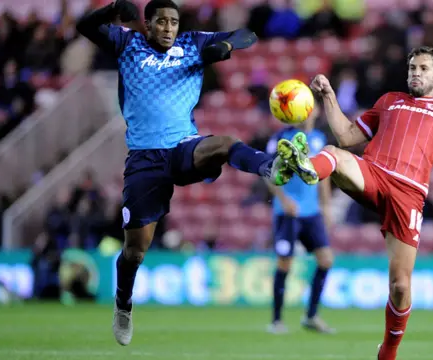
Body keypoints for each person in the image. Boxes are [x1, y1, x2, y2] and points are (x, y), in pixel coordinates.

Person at [75, 0, 315, 346]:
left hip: (183, 147)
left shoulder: (193, 43)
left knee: (223, 143)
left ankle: (270, 166)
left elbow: (248, 33)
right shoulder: (128, 43)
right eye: (161, 22)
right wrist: (111, 10)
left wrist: (225, 46)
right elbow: (85, 27)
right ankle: (123, 304)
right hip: (144, 159)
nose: (169, 28)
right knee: (135, 251)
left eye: (173, 22)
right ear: (149, 24)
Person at [278, 46, 433, 359]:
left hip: (409, 195)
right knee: (335, 152)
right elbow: (347, 136)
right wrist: (329, 95)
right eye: (413, 67)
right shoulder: (389, 101)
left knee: (400, 285)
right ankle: (307, 167)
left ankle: (388, 351)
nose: (416, 72)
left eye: (424, 68)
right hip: (373, 174)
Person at [264, 106, 335, 334]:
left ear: (314, 113)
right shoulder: (281, 138)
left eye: (310, 109)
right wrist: (284, 200)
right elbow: (267, 172)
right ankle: (276, 320)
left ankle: (311, 316)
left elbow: (323, 176)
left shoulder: (320, 138)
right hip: (288, 212)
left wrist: (326, 207)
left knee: (326, 260)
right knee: (285, 263)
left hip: (311, 211)